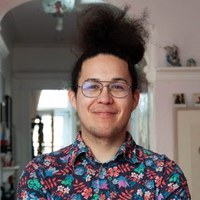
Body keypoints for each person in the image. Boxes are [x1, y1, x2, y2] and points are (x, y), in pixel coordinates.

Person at [17, 3, 191, 199]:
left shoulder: (165, 175)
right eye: (92, 86)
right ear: (73, 98)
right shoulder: (40, 174)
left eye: (117, 87)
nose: (105, 98)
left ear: (134, 99)